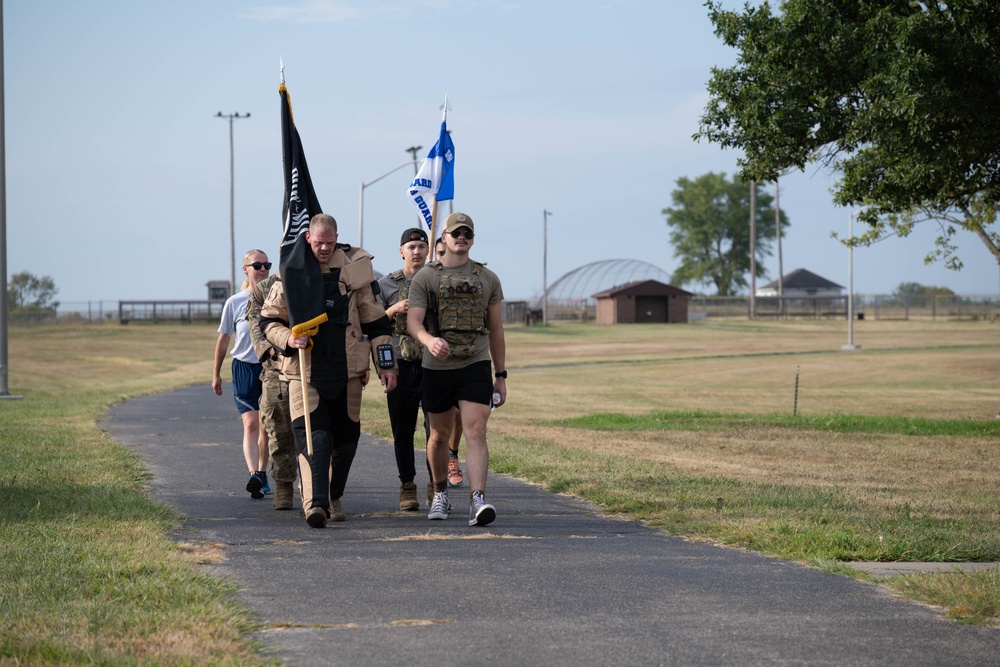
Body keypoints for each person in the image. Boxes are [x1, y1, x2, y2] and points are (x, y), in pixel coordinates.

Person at [261, 214, 397, 528]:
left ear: (337, 238)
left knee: (347, 439)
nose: (324, 248)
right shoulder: (291, 273)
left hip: (348, 370)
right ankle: (314, 505)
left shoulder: (356, 272)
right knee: (313, 437)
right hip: (304, 371)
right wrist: (289, 338)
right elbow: (268, 321)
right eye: (318, 242)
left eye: (329, 242)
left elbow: (377, 324)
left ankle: (333, 495)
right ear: (308, 238)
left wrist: (387, 367)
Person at [407, 212, 507, 527]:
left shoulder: (487, 278)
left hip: (475, 363)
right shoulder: (427, 277)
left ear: (472, 239)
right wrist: (427, 340)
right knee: (439, 434)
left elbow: (496, 330)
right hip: (437, 366)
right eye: (456, 233)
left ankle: (478, 499)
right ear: (445, 238)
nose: (461, 238)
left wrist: (501, 376)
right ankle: (440, 493)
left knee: (476, 430)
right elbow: (413, 321)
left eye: (467, 233)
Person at [376, 228, 433, 511]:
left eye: (422, 246)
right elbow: (372, 325)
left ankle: (437, 486)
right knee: (403, 430)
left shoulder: (436, 279)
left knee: (435, 430)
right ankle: (407, 486)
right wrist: (393, 309)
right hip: (400, 367)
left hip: (433, 366)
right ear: (402, 251)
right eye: (411, 246)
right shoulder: (386, 284)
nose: (417, 251)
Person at [212, 249, 272, 499]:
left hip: (269, 366)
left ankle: (262, 472)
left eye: (266, 264)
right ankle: (253, 475)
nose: (263, 269)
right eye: (256, 265)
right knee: (250, 424)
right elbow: (224, 339)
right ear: (245, 269)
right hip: (243, 367)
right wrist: (216, 373)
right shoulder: (235, 302)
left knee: (266, 426)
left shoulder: (276, 298)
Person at [247, 272, 297, 511]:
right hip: (276, 368)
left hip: (314, 368)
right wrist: (270, 352)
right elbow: (256, 325)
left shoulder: (325, 276)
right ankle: (284, 486)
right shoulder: (265, 287)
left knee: (316, 431)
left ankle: (319, 489)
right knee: (279, 430)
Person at [433, 236, 466, 492]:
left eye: (447, 252)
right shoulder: (426, 281)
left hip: (461, 359)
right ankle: (431, 482)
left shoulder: (465, 280)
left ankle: (453, 457)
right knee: (435, 430)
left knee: (459, 414)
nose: (444, 257)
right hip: (429, 364)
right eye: (440, 253)